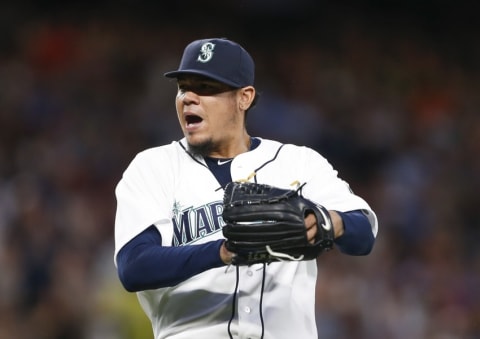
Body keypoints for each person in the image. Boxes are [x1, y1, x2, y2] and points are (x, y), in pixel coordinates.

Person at [114, 37, 378, 339]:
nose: (189, 97)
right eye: (183, 87)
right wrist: (224, 250)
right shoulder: (153, 167)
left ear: (244, 98)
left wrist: (326, 222)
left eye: (206, 88)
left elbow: (363, 233)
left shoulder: (299, 162)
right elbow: (134, 267)